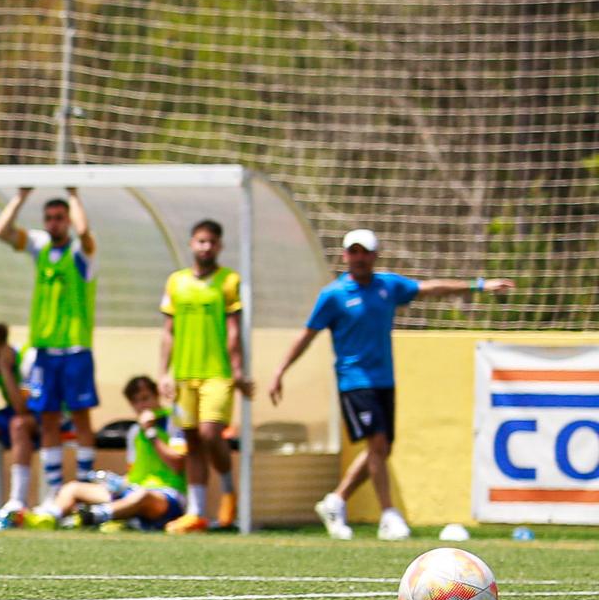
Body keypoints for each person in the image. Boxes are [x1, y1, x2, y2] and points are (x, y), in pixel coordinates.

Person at [269, 230, 512, 541]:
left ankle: (336, 500)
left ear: (374, 255)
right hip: (354, 381)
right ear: (345, 256)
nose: (358, 258)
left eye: (364, 252)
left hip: (384, 380)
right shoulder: (333, 295)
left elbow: (429, 289)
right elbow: (307, 334)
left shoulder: (388, 286)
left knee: (380, 450)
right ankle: (388, 515)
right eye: (352, 252)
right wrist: (280, 371)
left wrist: (479, 285)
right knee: (378, 444)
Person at [0, 187, 99, 503]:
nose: (54, 224)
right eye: (49, 219)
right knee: (48, 417)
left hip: (76, 349)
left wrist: (76, 195)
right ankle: (55, 491)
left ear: (67, 220)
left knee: (81, 417)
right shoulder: (40, 248)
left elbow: (84, 232)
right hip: (44, 349)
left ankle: (85, 484)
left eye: (59, 218)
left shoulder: (82, 252)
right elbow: (1, 231)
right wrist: (20, 197)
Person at [156, 219, 250, 533]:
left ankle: (227, 491)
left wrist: (238, 371)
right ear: (191, 244)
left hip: (216, 374)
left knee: (212, 434)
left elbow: (234, 331)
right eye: (200, 241)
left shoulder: (228, 281)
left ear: (219, 246)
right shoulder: (176, 282)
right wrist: (163, 374)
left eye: (211, 242)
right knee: (192, 441)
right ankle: (196, 512)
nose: (205, 247)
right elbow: (168, 332)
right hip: (183, 375)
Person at [49, 376, 188, 530]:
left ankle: (94, 516)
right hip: (134, 491)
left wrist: (151, 433)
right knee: (73, 488)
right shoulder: (135, 432)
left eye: (145, 398)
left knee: (143, 496)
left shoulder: (173, 422)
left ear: (157, 396)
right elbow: (133, 472)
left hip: (166, 496)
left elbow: (177, 464)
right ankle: (49, 516)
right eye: (136, 401)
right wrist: (117, 483)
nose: (142, 405)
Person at [0, 323, 40, 517]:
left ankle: (17, 500)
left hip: (39, 416)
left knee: (18, 424)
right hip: (13, 413)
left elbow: (23, 408)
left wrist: (5, 369)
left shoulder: (27, 358)